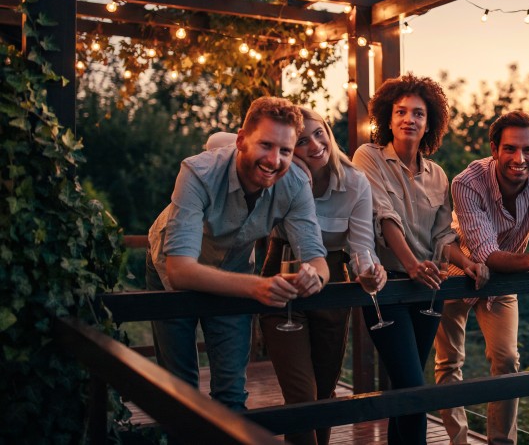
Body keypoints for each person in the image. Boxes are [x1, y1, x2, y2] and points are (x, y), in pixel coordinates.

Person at [207, 108, 387, 445]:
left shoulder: (354, 182)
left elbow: (362, 248)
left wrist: (371, 275)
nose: (315, 145)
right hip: (282, 272)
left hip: (332, 284)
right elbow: (216, 141)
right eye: (301, 141)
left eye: (319, 133)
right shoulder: (281, 171)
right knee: (301, 394)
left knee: (324, 393)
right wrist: (285, 157)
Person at [145, 96, 330, 410]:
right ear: (241, 140)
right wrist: (257, 287)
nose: (274, 160)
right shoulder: (198, 172)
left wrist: (315, 277)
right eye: (266, 145)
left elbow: (317, 259)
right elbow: (180, 270)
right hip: (169, 267)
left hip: (235, 272)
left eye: (285, 151)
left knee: (231, 394)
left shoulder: (296, 185)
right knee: (180, 390)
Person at [434, 111, 529, 445]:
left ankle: (501, 443)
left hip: (504, 278)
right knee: (449, 362)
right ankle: (457, 440)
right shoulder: (466, 183)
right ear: (494, 149)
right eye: (510, 149)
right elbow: (486, 253)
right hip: (456, 272)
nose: (520, 158)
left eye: (528, 149)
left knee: (507, 360)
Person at [351, 73, 462, 445]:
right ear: (388, 117)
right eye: (401, 111)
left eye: (418, 113)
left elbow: (443, 236)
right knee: (414, 391)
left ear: (429, 123)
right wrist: (412, 264)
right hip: (388, 287)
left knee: (406, 388)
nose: (409, 119)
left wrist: (468, 263)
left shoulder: (438, 175)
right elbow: (383, 216)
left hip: (428, 290)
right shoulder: (368, 157)